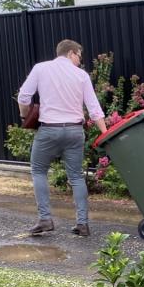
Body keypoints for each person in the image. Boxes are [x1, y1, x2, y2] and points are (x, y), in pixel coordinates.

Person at [17, 39, 107, 238]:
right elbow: (94, 109)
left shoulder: (40, 69)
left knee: (39, 171)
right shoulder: (81, 75)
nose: (80, 61)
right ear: (71, 53)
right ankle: (82, 224)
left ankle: (45, 220)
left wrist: (25, 117)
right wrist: (105, 133)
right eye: (79, 56)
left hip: (49, 130)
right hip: (75, 131)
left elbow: (24, 97)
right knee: (76, 177)